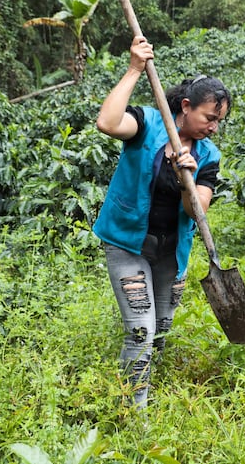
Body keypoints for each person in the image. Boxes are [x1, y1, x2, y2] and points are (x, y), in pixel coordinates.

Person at [92, 35, 232, 408]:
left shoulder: (207, 154)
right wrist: (135, 68)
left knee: (161, 329)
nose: (214, 127)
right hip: (127, 243)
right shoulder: (148, 123)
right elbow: (106, 122)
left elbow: (196, 211)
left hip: (173, 250)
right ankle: (134, 413)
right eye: (209, 118)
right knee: (140, 329)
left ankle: (153, 380)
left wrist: (188, 175)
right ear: (185, 107)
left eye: (219, 121)